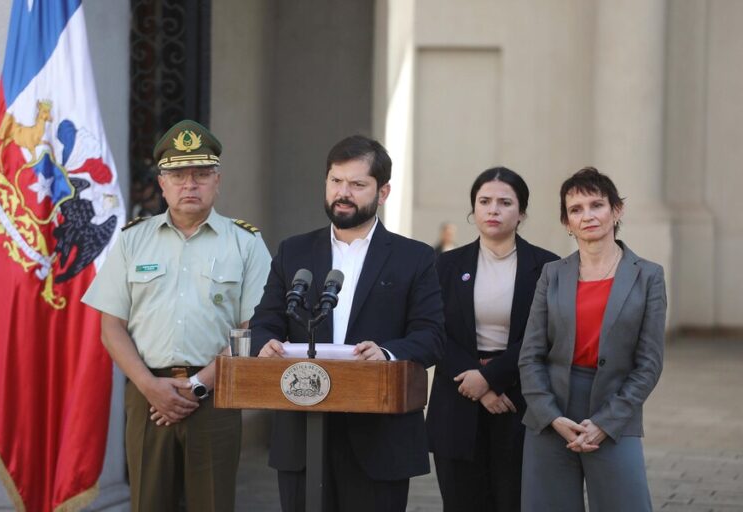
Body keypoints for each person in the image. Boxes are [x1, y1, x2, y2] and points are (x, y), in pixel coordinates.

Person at [82, 119, 272, 511]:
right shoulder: (133, 240)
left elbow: (254, 328)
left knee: (213, 504)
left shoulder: (246, 243)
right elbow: (111, 326)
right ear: (162, 183)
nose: (190, 184)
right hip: (148, 395)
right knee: (149, 502)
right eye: (179, 175)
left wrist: (200, 384)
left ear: (217, 181)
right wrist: (150, 385)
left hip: (217, 395)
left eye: (201, 174)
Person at [250, 134, 445, 512]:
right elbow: (266, 321)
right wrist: (265, 343)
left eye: (357, 185)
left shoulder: (414, 257)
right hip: (302, 435)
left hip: (378, 439)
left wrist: (387, 352)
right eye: (336, 181)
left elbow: (432, 336)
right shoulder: (294, 251)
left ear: (382, 192)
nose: (344, 193)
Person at [518, 167, 666, 511]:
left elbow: (649, 363)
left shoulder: (648, 276)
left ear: (616, 210)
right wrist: (549, 415)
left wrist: (606, 422)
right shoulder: (552, 274)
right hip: (550, 414)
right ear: (567, 223)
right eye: (575, 209)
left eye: (596, 205)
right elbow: (531, 354)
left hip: (615, 411)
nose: (587, 216)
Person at [426, 167, 559, 511]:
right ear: (473, 209)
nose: (493, 210)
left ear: (522, 212)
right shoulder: (446, 264)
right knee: (461, 502)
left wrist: (490, 379)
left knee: (513, 500)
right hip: (457, 395)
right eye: (484, 201)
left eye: (504, 202)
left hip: (517, 396)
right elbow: (432, 329)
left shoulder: (546, 266)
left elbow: (545, 335)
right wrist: (476, 382)